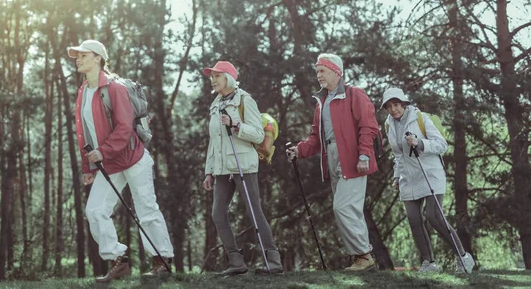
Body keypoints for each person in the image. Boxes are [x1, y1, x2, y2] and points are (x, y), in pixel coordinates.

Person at [68, 39, 174, 282]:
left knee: (146, 209)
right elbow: (84, 131)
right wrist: (89, 166)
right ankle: (118, 259)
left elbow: (125, 127)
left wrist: (103, 152)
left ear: (98, 58)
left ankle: (161, 260)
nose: (78, 58)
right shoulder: (83, 91)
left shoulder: (115, 88)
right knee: (95, 210)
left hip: (134, 158)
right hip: (109, 163)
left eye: (84, 54)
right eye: (77, 55)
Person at [286, 53, 378, 272]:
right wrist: (299, 150)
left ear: (336, 72)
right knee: (350, 210)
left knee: (342, 207)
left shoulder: (353, 94)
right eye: (316, 71)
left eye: (322, 71)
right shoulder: (322, 102)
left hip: (354, 159)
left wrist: (364, 155)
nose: (318, 75)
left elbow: (369, 126)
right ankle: (362, 259)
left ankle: (364, 256)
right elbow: (316, 139)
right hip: (332, 158)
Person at [202, 61, 283, 276]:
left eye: (217, 76)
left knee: (254, 212)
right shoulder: (215, 104)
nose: (213, 79)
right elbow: (213, 141)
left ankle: (273, 260)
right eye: (211, 76)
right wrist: (208, 171)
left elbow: (257, 134)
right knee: (218, 214)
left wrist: (236, 125)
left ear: (228, 77)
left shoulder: (245, 100)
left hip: (243, 165)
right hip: (222, 169)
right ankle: (236, 262)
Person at [381, 87, 475, 275]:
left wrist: (420, 143)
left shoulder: (421, 118)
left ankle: (464, 257)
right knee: (414, 220)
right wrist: (397, 177)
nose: (393, 110)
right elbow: (398, 156)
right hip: (408, 178)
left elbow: (441, 144)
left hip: (430, 173)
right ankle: (429, 263)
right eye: (389, 106)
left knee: (434, 217)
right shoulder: (389, 125)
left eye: (397, 105)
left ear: (404, 103)